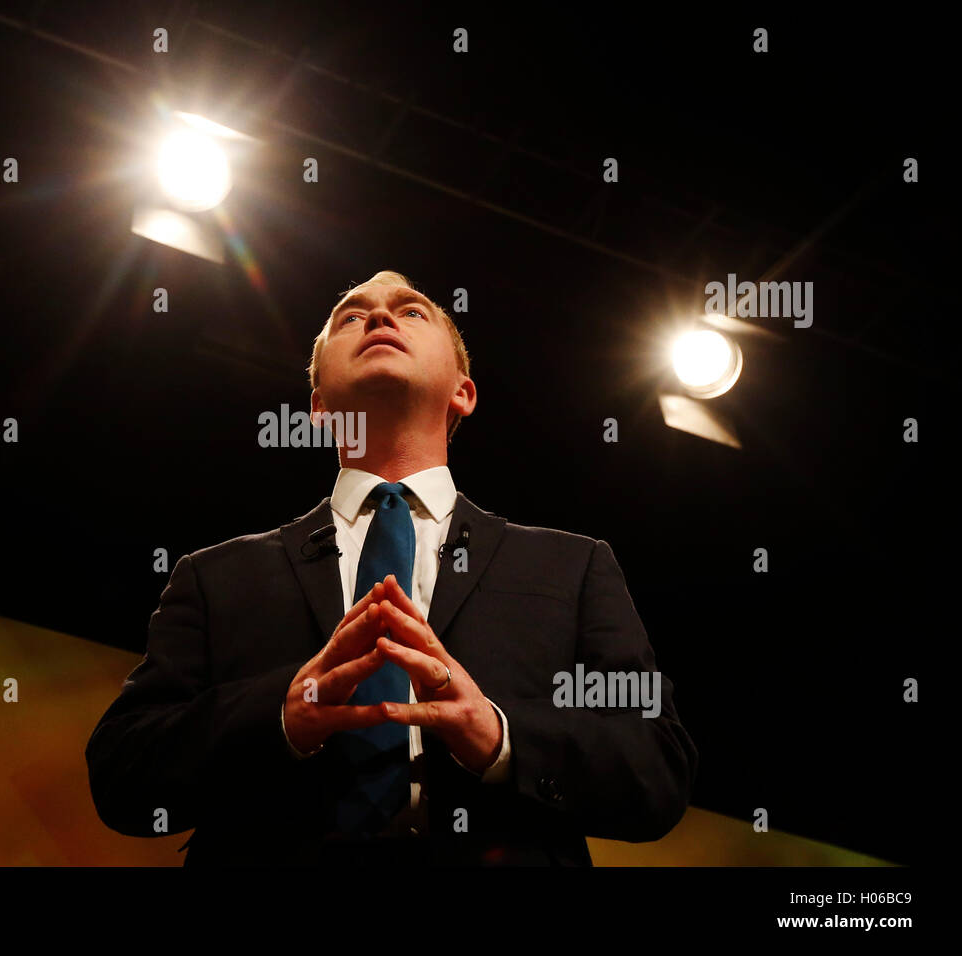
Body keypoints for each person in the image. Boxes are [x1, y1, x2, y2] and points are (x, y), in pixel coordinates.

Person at [86, 270, 697, 865]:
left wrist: (499, 734)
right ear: (320, 406)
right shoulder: (213, 577)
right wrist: (281, 714)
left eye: (411, 311)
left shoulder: (574, 567)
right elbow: (122, 774)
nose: (379, 314)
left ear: (463, 390)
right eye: (351, 316)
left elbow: (656, 768)